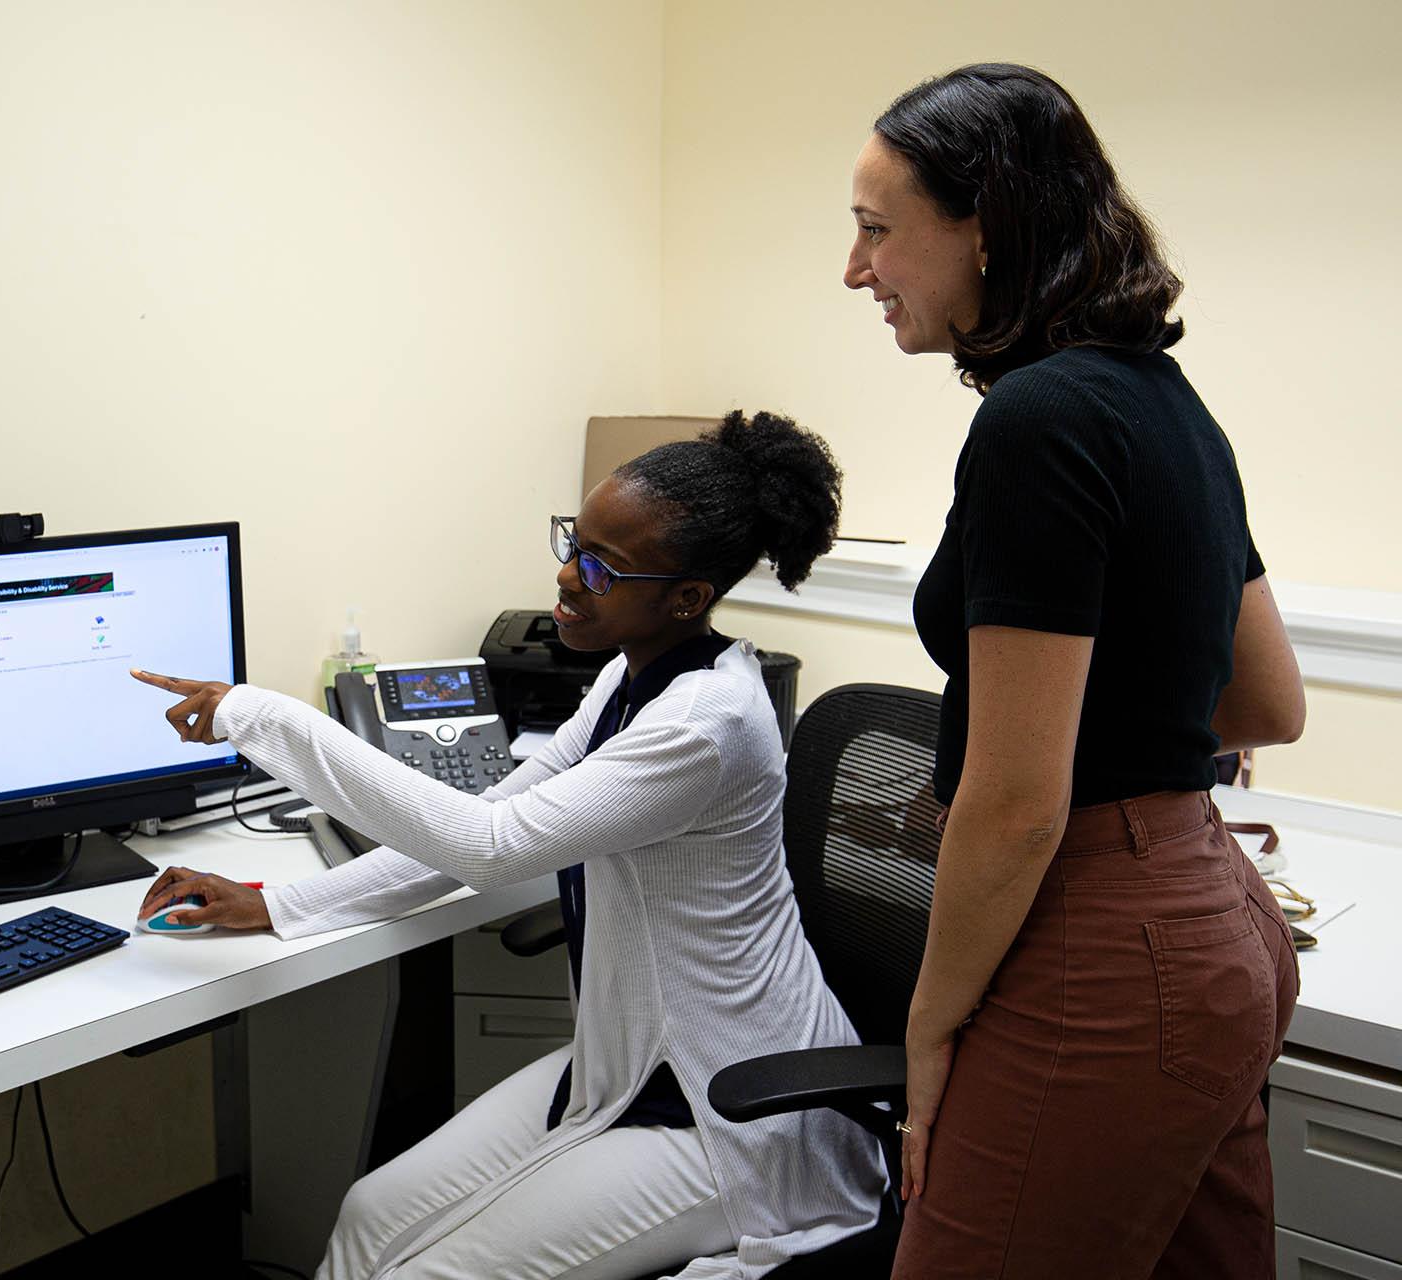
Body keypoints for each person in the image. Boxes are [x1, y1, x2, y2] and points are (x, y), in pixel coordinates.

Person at [133, 412, 886, 1280]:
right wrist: (278, 904)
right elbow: (494, 813)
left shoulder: (706, 723)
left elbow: (489, 847)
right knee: (370, 1216)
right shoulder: (629, 676)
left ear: (687, 597)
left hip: (733, 1103)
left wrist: (256, 714)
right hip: (630, 1059)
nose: (569, 576)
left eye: (603, 567)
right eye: (576, 541)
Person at [842, 62, 1306, 1278]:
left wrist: (929, 1025)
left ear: (983, 227)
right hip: (1214, 929)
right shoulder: (1167, 403)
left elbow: (1016, 800)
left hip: (1103, 952)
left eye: (877, 231)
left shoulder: (1038, 419)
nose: (856, 270)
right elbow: (1268, 703)